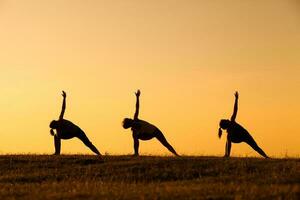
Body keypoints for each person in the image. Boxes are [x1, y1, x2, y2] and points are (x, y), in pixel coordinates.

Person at [122, 90, 179, 156]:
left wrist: (137, 98)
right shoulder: (134, 131)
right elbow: (136, 141)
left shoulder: (135, 119)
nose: (131, 119)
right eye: (130, 120)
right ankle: (136, 153)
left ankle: (176, 155)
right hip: (147, 135)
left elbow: (137, 108)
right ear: (129, 124)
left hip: (155, 131)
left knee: (165, 143)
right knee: (135, 136)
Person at [49, 91, 101, 156]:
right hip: (70, 134)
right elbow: (56, 134)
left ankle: (99, 154)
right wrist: (53, 133)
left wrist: (64, 98)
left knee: (88, 144)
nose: (56, 127)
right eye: (54, 128)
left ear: (56, 122)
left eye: (55, 126)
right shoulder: (57, 130)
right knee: (56, 136)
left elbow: (63, 108)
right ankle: (57, 153)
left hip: (77, 131)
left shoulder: (60, 120)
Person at [218, 92, 269, 158]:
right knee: (228, 139)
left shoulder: (231, 123)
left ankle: (266, 157)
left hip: (245, 135)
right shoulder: (230, 128)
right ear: (226, 124)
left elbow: (235, 110)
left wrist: (236, 99)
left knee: (255, 147)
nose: (228, 119)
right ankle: (227, 155)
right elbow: (235, 110)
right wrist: (236, 99)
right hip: (238, 138)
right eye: (226, 120)